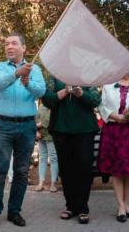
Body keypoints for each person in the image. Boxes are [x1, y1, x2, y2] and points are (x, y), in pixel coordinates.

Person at [0, 33, 46, 229]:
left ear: (23, 48)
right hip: (3, 125)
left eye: (13, 43)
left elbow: (41, 92)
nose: (9, 46)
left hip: (27, 125)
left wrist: (28, 83)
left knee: (21, 171)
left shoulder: (34, 69)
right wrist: (17, 74)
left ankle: (14, 211)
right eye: (6, 44)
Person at [42, 78, 101, 224]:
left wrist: (81, 94)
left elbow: (95, 100)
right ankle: (70, 206)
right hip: (61, 129)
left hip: (85, 130)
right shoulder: (55, 76)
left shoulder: (88, 76)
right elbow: (46, 100)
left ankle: (82, 208)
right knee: (66, 169)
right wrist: (63, 92)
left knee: (84, 168)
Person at [97, 64, 129, 223]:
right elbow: (102, 106)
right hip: (114, 130)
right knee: (117, 170)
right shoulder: (108, 85)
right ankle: (120, 206)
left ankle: (127, 204)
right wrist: (116, 116)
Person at [34, 102, 58, 193]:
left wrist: (39, 125)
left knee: (53, 158)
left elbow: (49, 120)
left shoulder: (54, 105)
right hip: (41, 136)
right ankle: (41, 182)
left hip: (51, 136)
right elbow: (36, 119)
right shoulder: (41, 105)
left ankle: (53, 183)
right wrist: (36, 130)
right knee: (42, 158)